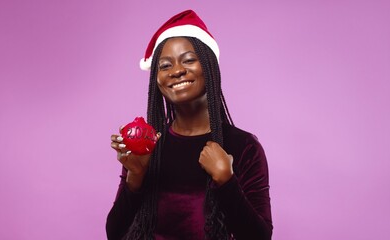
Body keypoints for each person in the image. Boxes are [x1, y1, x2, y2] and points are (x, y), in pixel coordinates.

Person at [106, 10, 272, 240]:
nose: (176, 71)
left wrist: (226, 180)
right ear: (156, 79)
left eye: (189, 60)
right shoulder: (148, 146)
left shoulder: (244, 146)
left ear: (209, 66)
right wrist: (135, 177)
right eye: (165, 65)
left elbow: (260, 237)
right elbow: (114, 234)